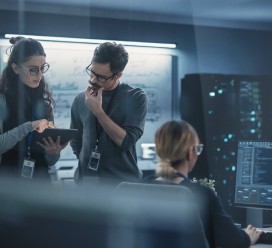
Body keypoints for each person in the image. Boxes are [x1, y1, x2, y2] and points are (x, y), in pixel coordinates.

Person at [144, 120, 262, 248]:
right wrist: (247, 237)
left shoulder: (143, 187)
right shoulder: (201, 194)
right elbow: (233, 242)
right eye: (197, 149)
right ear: (190, 153)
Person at [70, 42, 147, 184]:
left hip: (122, 185)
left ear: (118, 75)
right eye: (92, 72)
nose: (93, 80)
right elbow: (76, 140)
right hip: (86, 184)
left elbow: (126, 141)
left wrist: (98, 112)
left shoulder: (136, 97)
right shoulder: (81, 99)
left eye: (101, 77)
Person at [0, 36, 67, 181]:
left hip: (41, 184)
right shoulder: (2, 100)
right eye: (33, 70)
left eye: (43, 68)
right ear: (16, 68)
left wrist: (54, 152)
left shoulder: (44, 102)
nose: (40, 75)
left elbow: (51, 162)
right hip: (9, 185)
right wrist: (29, 127)